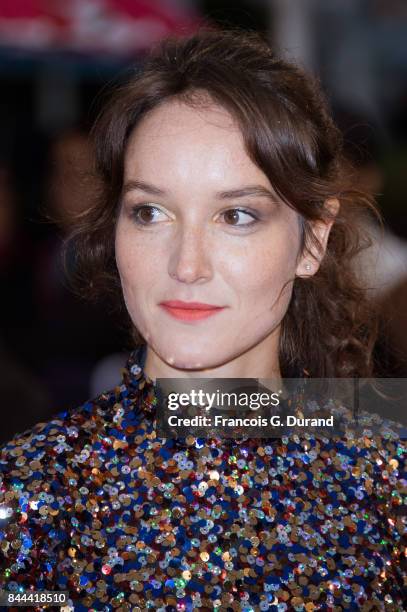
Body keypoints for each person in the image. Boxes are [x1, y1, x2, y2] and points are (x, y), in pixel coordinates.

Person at [0, 28, 405, 611]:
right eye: (151, 212)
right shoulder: (26, 494)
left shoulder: (388, 489)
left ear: (312, 240)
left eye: (236, 215)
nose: (186, 265)